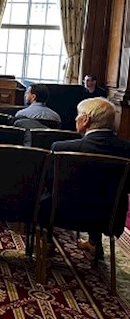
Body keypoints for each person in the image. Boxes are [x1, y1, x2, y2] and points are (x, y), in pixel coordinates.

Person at [51, 97, 130, 259]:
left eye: (78, 115)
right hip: (110, 218)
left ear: (86, 119)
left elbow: (49, 182)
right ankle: (95, 242)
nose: (75, 118)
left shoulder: (62, 148)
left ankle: (47, 243)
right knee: (101, 193)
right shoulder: (127, 150)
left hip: (63, 213)